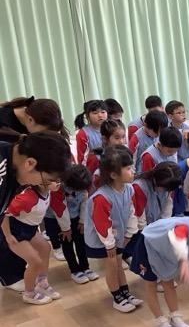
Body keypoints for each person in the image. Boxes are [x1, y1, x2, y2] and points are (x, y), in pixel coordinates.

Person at [0, 132, 72, 292]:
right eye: (47, 180)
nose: (44, 184)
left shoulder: (14, 168)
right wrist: (8, 235)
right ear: (30, 163)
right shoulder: (4, 169)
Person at [84, 145, 142, 313]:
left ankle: (125, 292)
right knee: (112, 265)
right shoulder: (102, 197)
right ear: (114, 174)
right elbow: (101, 224)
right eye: (128, 168)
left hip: (118, 236)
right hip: (103, 240)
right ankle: (117, 297)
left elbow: (131, 211)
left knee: (118, 263)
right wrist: (109, 244)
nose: (133, 171)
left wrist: (130, 233)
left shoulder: (129, 189)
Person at [2, 183, 59, 304]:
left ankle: (41, 282)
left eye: (59, 179)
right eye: (54, 179)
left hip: (29, 228)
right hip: (15, 232)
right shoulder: (27, 197)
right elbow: (3, 213)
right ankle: (29, 293)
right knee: (35, 261)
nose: (59, 182)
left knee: (45, 248)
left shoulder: (47, 191)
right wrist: (8, 235)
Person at [45, 164, 99, 284]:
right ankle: (74, 270)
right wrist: (66, 229)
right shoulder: (58, 188)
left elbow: (85, 202)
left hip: (75, 216)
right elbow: (60, 209)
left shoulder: (85, 184)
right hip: (58, 219)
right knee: (67, 244)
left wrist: (82, 221)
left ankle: (85, 267)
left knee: (81, 243)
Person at [0, 97, 66, 142]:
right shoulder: (3, 125)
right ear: (30, 120)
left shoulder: (37, 117)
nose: (45, 138)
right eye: (42, 134)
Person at [75, 100, 108, 165]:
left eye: (103, 112)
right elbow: (82, 158)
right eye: (95, 113)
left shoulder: (112, 128)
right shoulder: (83, 133)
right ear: (87, 116)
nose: (100, 115)